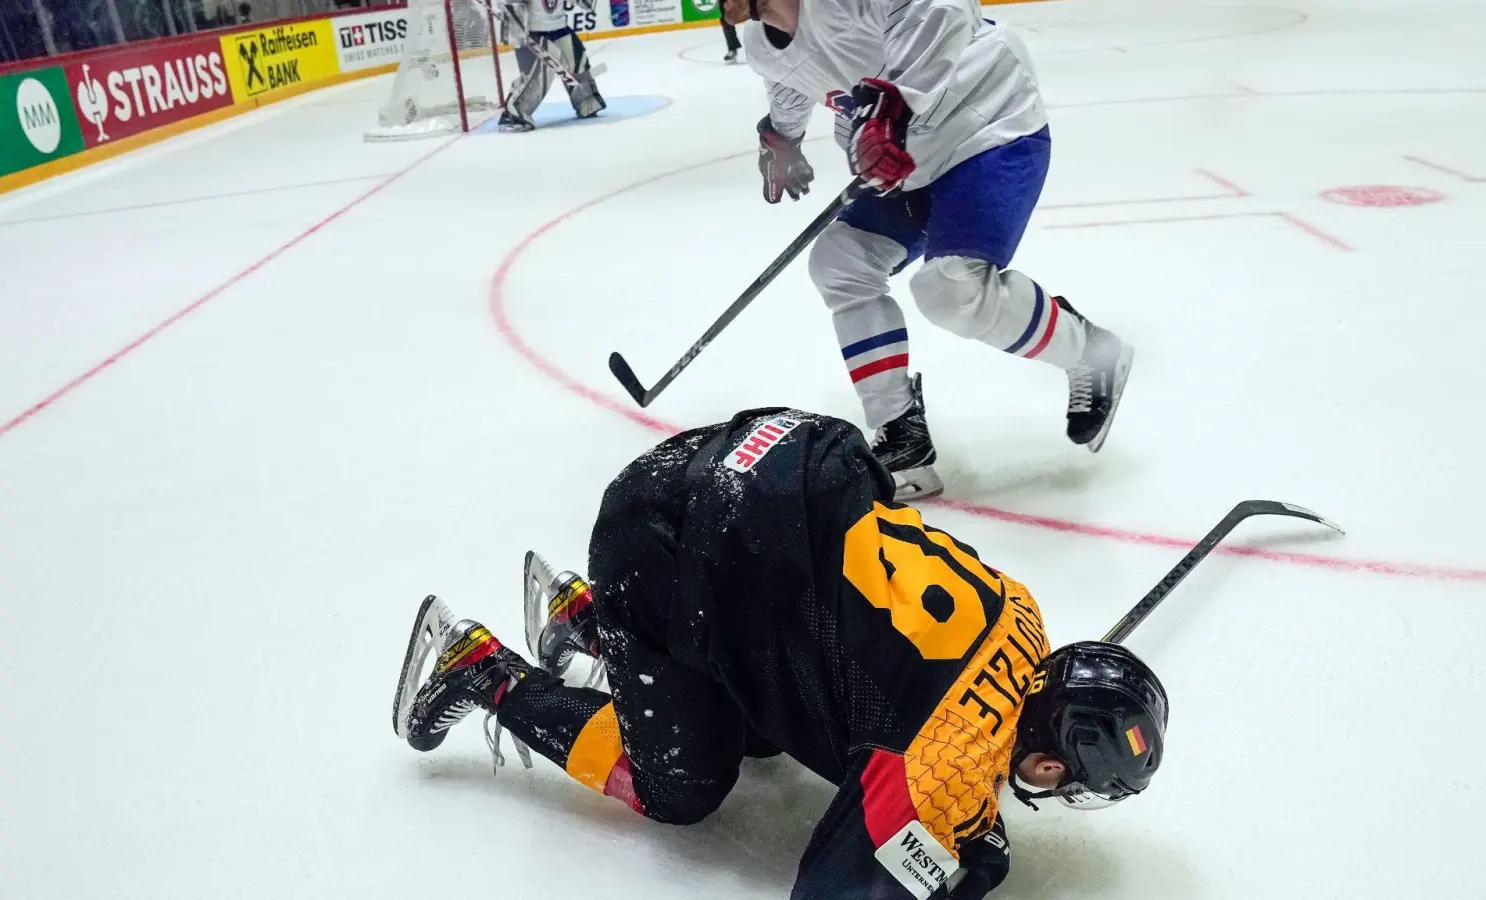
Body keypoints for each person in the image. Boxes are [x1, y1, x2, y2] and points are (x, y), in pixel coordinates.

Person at [394, 408, 1169, 900]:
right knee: (684, 789)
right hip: (668, 537)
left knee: (773, 729)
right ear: (1044, 764)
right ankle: (483, 670)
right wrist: (960, 855)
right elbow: (836, 891)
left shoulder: (1025, 615)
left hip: (763, 458)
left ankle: (590, 620)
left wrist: (966, 830)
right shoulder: (937, 770)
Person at [725, 0, 1134, 500]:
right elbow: (792, 82)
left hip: (987, 122)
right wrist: (780, 139)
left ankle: (1091, 350)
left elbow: (942, 5)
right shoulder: (759, 45)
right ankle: (902, 435)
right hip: (907, 158)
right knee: (840, 261)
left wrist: (892, 103)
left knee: (948, 290)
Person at [497, 0, 606, 132]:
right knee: (539, 75)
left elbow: (587, 5)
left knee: (577, 62)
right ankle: (514, 113)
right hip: (533, 33)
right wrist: (517, 29)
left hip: (560, 28)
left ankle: (586, 101)